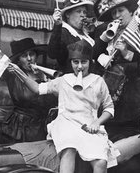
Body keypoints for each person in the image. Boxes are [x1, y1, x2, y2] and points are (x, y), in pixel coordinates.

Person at [8, 39, 118, 173]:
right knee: (68, 149)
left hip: (89, 126)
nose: (79, 67)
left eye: (84, 62)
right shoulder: (64, 80)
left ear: (90, 62)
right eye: (75, 62)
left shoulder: (98, 81)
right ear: (71, 62)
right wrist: (18, 72)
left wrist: (97, 122)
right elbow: (37, 88)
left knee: (101, 161)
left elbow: (109, 108)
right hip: (67, 123)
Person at [93, 0, 140, 124]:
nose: (117, 16)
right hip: (110, 88)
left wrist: (126, 53)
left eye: (120, 11)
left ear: (131, 12)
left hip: (134, 91)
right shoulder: (109, 31)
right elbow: (93, 54)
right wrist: (104, 39)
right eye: (114, 13)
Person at [1, 38, 57, 142]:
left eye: (31, 54)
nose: (29, 58)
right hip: (21, 128)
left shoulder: (44, 74)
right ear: (18, 60)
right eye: (24, 56)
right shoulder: (14, 74)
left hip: (43, 127)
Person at [48, 0, 95, 73]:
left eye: (84, 12)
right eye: (78, 11)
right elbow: (53, 53)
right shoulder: (64, 32)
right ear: (68, 14)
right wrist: (57, 25)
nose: (82, 15)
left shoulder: (87, 34)